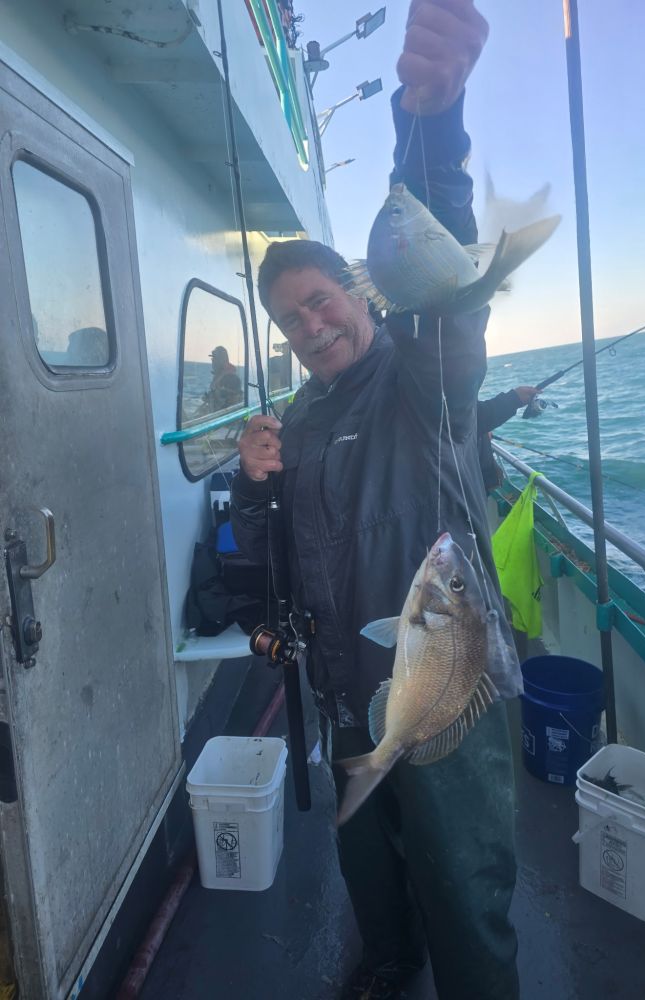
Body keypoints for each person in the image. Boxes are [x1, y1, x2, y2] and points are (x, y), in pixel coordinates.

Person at [231, 3, 519, 997]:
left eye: (323, 301)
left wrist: (430, 123)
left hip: (449, 688)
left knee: (465, 877)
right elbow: (277, 567)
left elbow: (440, 278)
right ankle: (389, 967)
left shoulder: (418, 373)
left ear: (360, 293)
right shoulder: (299, 422)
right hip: (350, 692)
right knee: (370, 864)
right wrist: (252, 488)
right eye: (290, 317)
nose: (312, 326)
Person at [477, 385, 538, 491]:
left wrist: (483, 430)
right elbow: (466, 416)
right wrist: (514, 399)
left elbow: (470, 415)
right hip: (470, 482)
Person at [202, 345, 242, 413]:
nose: (212, 361)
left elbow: (230, 404)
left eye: (214, 358)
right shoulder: (221, 376)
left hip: (225, 419)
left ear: (222, 360)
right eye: (212, 358)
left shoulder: (231, 379)